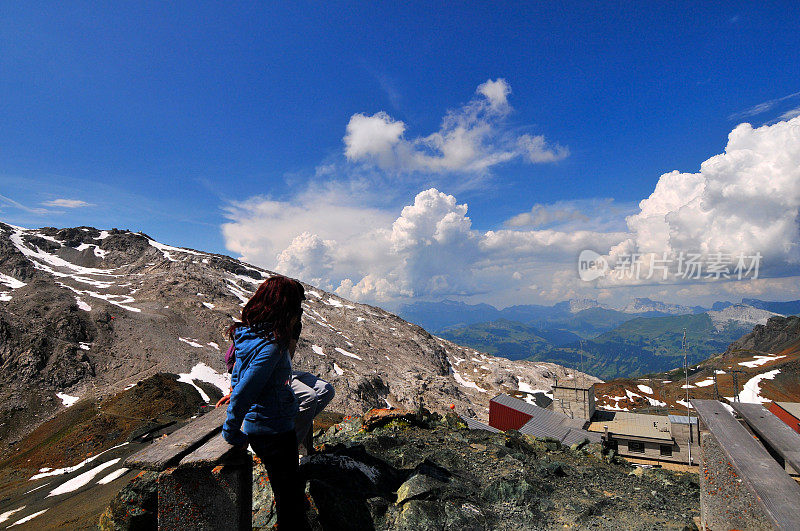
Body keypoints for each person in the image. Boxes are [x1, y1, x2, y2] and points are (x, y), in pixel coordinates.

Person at [221, 275, 309, 530]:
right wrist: (231, 432)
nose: (299, 313)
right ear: (285, 307)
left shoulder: (247, 335)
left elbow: (237, 377)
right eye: (297, 307)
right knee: (290, 501)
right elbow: (245, 390)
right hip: (273, 430)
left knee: (288, 494)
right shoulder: (271, 346)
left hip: (263, 425)